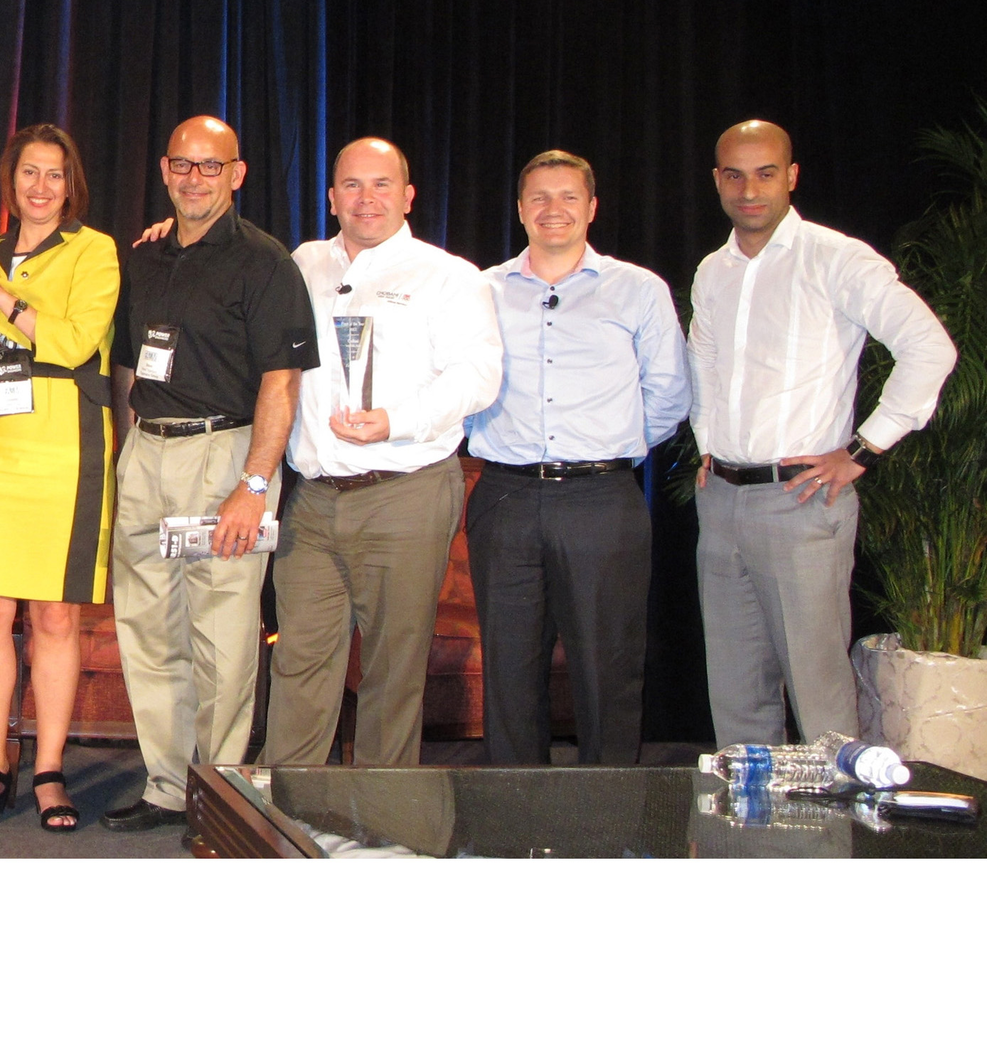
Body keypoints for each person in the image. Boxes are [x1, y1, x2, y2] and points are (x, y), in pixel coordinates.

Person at [690, 120, 955, 746]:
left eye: (765, 173)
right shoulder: (713, 271)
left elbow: (929, 347)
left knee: (820, 697)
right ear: (717, 181)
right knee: (735, 693)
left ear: (792, 176)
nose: (749, 189)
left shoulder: (837, 259)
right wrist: (707, 442)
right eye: (735, 174)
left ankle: (835, 835)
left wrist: (864, 449)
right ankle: (747, 836)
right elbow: (704, 360)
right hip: (722, 501)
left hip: (802, 503)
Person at [103, 115, 318, 832]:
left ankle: (221, 795)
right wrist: (124, 451)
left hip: (224, 457)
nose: (195, 179)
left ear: (238, 173)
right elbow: (128, 364)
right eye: (183, 166)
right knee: (149, 634)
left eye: (210, 166)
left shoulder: (265, 263)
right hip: (147, 452)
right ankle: (167, 787)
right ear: (165, 171)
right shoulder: (146, 257)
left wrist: (253, 488)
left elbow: (280, 387)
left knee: (224, 642)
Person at [262, 137, 501, 768]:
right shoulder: (303, 263)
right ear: (332, 195)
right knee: (298, 665)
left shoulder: (449, 275)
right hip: (312, 502)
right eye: (352, 185)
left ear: (408, 194)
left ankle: (378, 825)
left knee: (394, 674)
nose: (366, 198)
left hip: (405, 493)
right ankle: (293, 818)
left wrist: (394, 421)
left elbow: (477, 377)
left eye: (382, 184)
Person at [465, 150, 689, 766]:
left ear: (591, 208)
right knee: (509, 672)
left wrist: (607, 443)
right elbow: (458, 382)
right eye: (539, 197)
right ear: (519, 209)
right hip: (505, 497)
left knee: (607, 668)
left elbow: (668, 393)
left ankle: (607, 825)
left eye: (568, 197)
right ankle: (513, 823)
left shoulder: (639, 289)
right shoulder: (480, 290)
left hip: (601, 500)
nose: (553, 209)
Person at [0, 124, 120, 831]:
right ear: (10, 181)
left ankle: (48, 767)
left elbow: (77, 341)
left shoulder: (95, 250)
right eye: (29, 174)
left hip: (66, 445)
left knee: (56, 615)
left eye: (54, 175)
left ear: (70, 184)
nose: (40, 187)